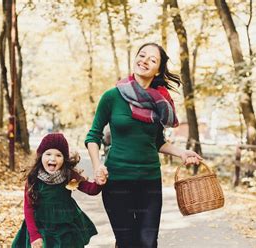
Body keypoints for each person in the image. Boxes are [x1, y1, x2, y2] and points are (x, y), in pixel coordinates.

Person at [85, 42, 202, 248]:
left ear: (158, 70)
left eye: (152, 59)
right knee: (127, 242)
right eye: (142, 55)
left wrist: (181, 152)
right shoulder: (112, 97)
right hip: (117, 182)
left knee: (148, 243)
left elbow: (157, 142)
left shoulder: (159, 103)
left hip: (149, 182)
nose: (145, 61)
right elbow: (93, 136)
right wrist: (97, 166)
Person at [12, 133, 105, 248]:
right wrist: (34, 235)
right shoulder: (33, 178)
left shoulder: (69, 175)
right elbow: (28, 207)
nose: (52, 158)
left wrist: (99, 183)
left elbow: (91, 190)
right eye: (48, 154)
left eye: (58, 155)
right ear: (41, 156)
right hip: (41, 227)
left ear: (64, 159)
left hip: (65, 227)